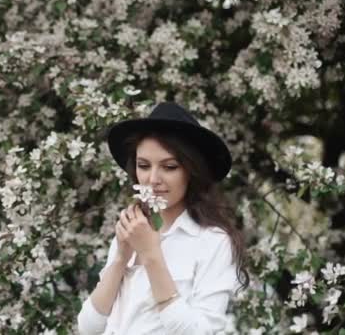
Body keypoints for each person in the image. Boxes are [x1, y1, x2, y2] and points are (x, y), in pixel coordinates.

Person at [77, 101, 249, 334]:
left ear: (191, 171)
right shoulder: (132, 229)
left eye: (169, 167)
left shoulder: (212, 241)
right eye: (144, 165)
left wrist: (150, 255)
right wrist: (120, 258)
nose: (153, 179)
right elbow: (88, 328)